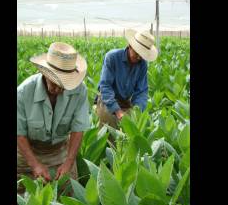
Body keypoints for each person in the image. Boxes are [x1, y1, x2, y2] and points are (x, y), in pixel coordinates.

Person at [17, 42, 90, 195]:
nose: (59, 89)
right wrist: (34, 164)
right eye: (55, 82)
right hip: (27, 151)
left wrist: (69, 162)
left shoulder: (80, 90)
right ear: (45, 73)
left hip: (59, 150)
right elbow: (19, 133)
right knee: (24, 198)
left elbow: (78, 129)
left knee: (67, 194)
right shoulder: (23, 92)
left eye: (64, 85)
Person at [96, 29, 158, 134]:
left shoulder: (142, 64)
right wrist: (118, 111)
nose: (139, 57)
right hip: (107, 99)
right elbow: (105, 86)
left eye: (142, 55)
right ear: (130, 45)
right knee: (109, 127)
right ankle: (109, 148)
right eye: (137, 53)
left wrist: (137, 112)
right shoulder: (112, 57)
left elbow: (142, 91)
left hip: (125, 100)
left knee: (133, 128)